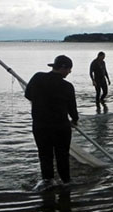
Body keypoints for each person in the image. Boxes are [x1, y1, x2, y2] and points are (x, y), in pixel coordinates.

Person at [25, 55, 79, 187]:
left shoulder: (37, 77)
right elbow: (72, 109)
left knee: (45, 155)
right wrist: (75, 120)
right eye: (69, 69)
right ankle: (66, 182)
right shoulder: (67, 86)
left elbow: (28, 95)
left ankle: (48, 182)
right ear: (63, 68)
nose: (69, 72)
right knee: (62, 155)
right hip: (61, 127)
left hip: (40, 126)